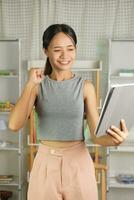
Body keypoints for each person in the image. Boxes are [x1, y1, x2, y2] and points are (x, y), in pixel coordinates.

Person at [8, 24, 128, 200]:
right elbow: (13, 124)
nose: (65, 56)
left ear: (76, 50)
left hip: (79, 164)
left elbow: (96, 136)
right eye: (57, 50)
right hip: (45, 164)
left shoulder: (86, 87)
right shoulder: (37, 86)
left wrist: (115, 139)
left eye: (70, 49)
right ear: (46, 51)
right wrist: (29, 84)